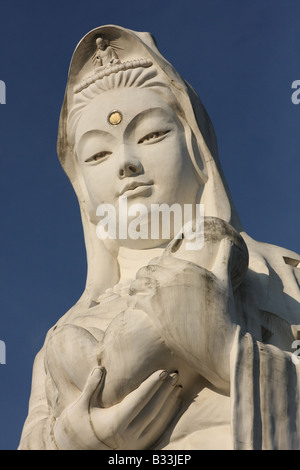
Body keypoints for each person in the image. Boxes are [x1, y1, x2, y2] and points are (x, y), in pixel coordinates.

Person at [19, 25, 300, 450]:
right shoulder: (61, 341)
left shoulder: (283, 277)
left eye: (151, 135)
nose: (126, 164)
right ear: (84, 193)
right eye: (98, 154)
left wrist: (231, 355)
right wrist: (74, 439)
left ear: (197, 150)